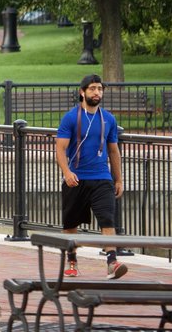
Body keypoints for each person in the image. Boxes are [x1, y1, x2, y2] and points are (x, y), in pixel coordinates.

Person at [55, 74, 127, 280]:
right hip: (76, 178)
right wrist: (67, 173)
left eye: (100, 89)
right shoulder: (70, 118)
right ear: (82, 92)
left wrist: (118, 179)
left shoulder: (108, 119)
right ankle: (72, 261)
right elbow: (60, 149)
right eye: (92, 88)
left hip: (102, 178)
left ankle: (112, 262)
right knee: (70, 225)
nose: (97, 92)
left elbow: (113, 151)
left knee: (107, 219)